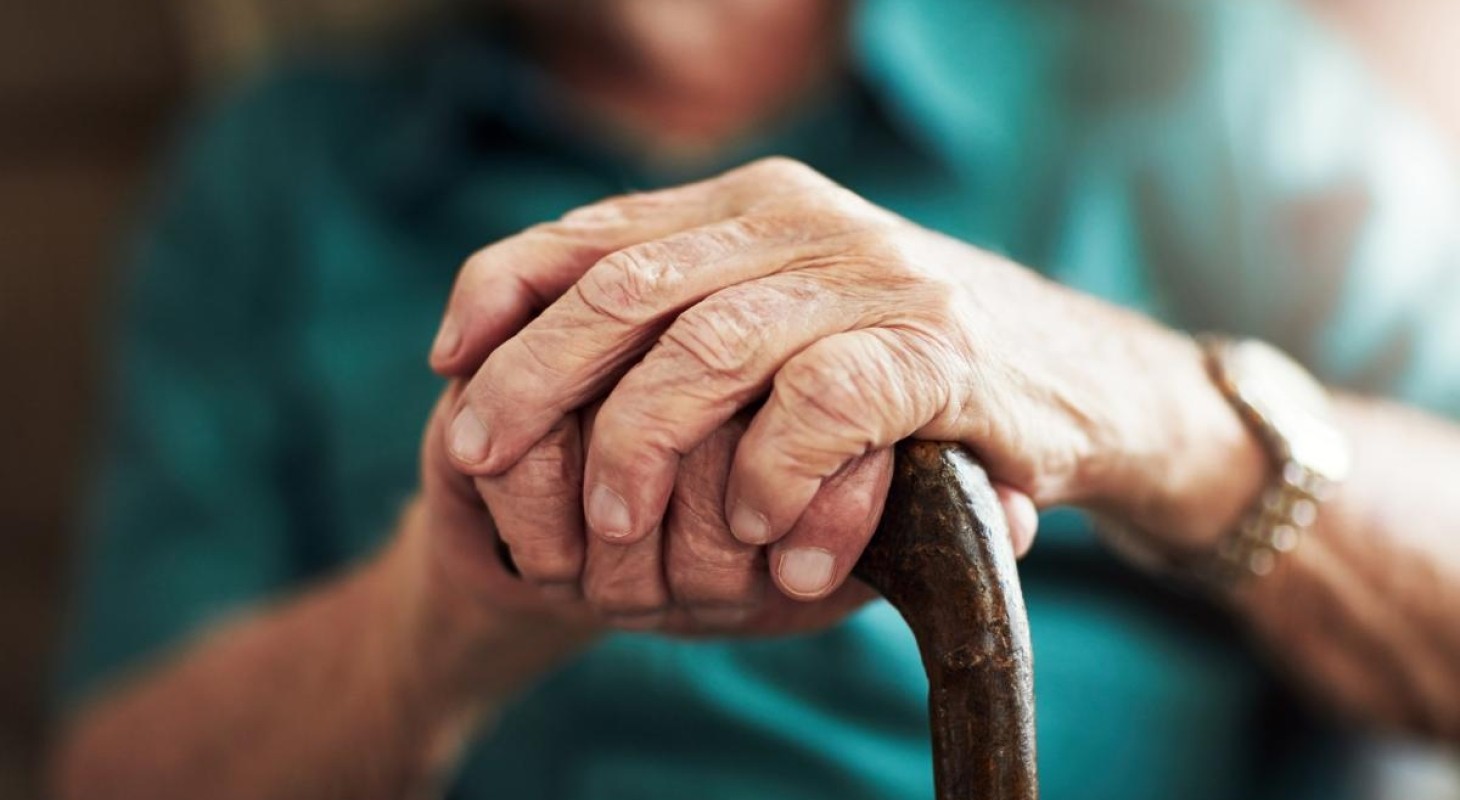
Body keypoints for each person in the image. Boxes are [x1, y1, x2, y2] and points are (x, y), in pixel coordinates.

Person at [50, 1, 1460, 798]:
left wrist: (1139, 400)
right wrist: (439, 620)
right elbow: (114, 775)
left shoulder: (1198, 82)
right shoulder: (284, 170)